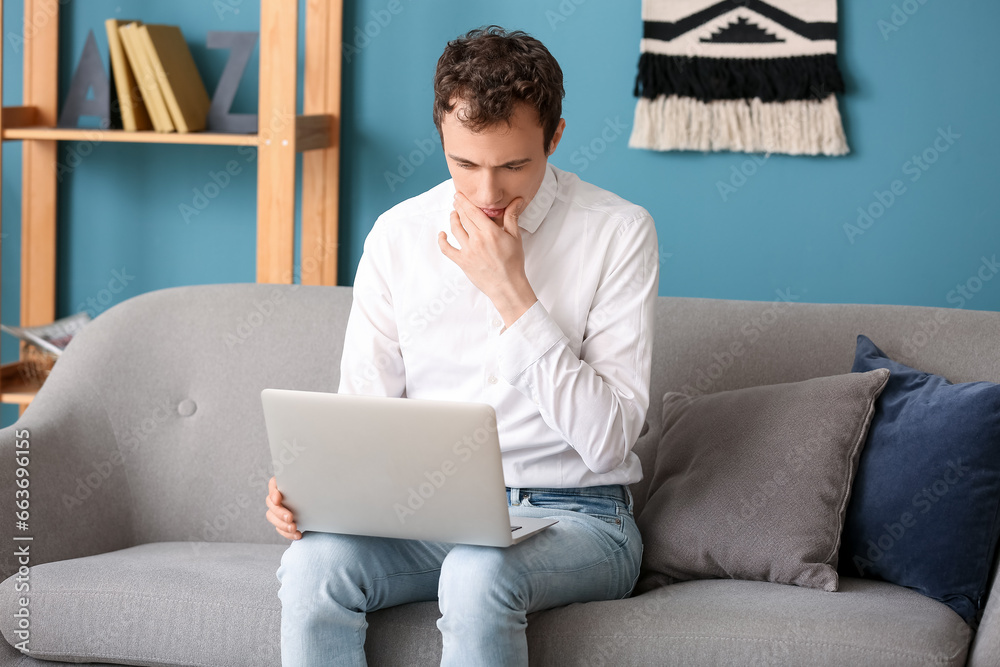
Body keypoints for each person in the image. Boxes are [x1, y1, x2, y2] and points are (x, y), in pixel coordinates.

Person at [265, 25, 659, 666]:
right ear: (443, 139)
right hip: (426, 515)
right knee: (313, 564)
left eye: (514, 166)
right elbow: (363, 412)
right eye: (465, 165)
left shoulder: (617, 231)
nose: (487, 194)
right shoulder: (397, 235)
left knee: (479, 572)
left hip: (581, 518)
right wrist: (315, 489)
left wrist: (512, 294)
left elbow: (609, 439)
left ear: (553, 139)